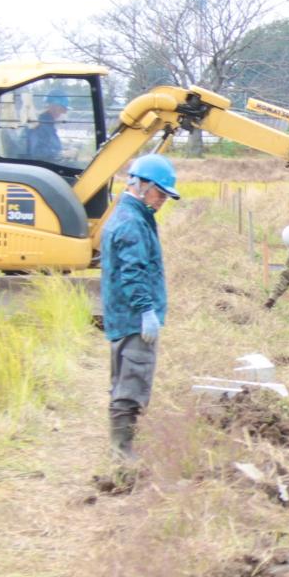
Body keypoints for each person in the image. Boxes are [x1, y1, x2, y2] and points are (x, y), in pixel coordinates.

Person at [101, 154, 178, 459]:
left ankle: (123, 448)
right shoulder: (132, 223)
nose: (162, 201)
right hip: (133, 319)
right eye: (160, 193)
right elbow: (133, 273)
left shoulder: (132, 215)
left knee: (124, 380)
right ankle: (122, 455)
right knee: (130, 386)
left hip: (124, 316)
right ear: (140, 185)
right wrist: (146, 310)